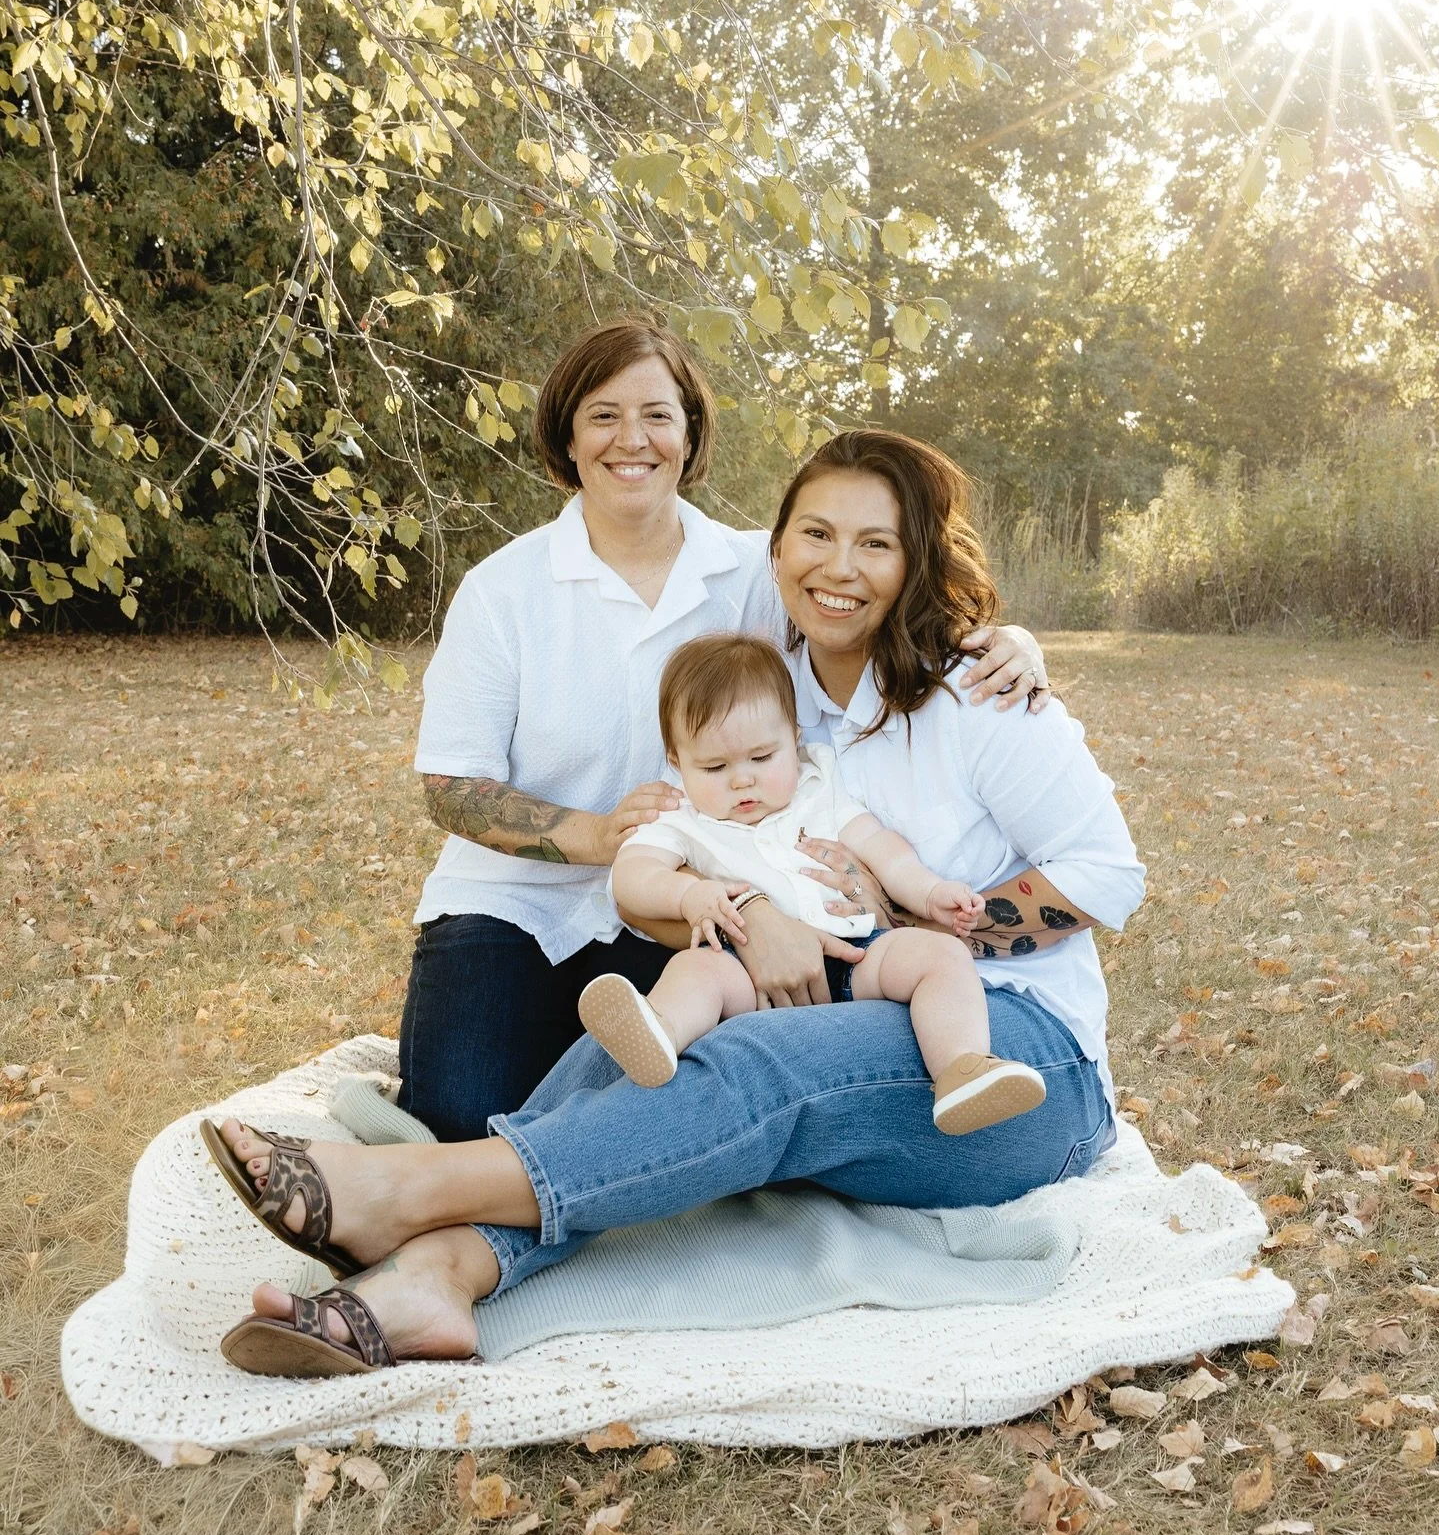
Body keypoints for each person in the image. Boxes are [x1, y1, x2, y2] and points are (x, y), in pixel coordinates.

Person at [206, 426, 1144, 1378]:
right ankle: (435, 1278)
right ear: (774, 548)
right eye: (816, 534)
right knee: (650, 1042)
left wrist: (908, 925)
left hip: (1017, 1064)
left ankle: (404, 1192)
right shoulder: (774, 697)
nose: (839, 567)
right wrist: (754, 913)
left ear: (917, 562)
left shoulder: (980, 695)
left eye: (877, 543)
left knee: (751, 1060)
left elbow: (1107, 874)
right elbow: (681, 877)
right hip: (845, 1016)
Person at [397, 318, 1049, 1138]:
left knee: (669, 1121)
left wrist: (1010, 640)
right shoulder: (502, 590)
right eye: (603, 415)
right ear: (566, 434)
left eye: (657, 415)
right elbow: (451, 786)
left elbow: (874, 611)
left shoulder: (755, 572)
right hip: (514, 907)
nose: (632, 439)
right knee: (459, 1118)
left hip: (700, 900)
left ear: (691, 432)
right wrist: (600, 836)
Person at [585, 633, 1047, 1136]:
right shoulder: (681, 816)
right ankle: (662, 1032)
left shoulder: (818, 784)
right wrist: (688, 894)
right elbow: (631, 876)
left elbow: (880, 845)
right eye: (714, 767)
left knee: (942, 956)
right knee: (694, 969)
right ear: (677, 760)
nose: (742, 780)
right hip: (748, 974)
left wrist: (929, 892)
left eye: (763, 757)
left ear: (795, 738)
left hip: (856, 955)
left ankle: (962, 1067)